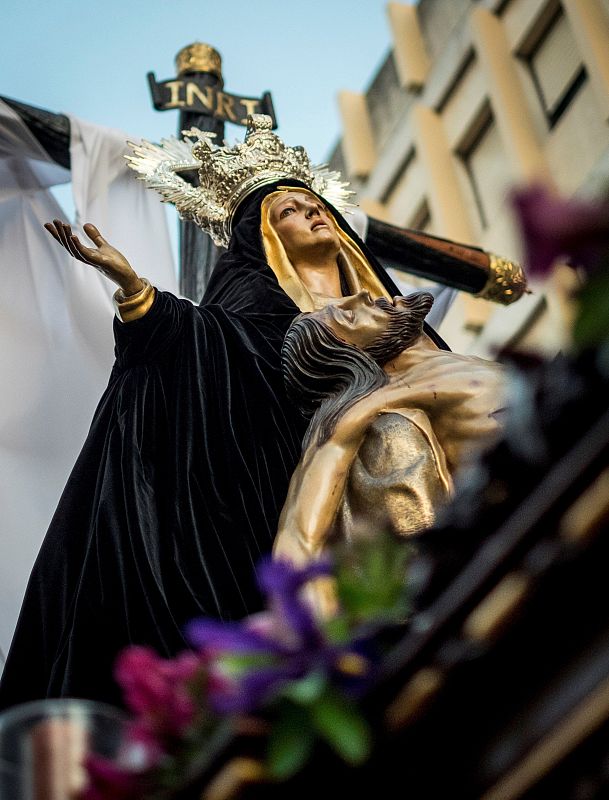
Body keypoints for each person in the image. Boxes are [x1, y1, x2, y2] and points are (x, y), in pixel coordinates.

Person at [0, 114, 453, 710]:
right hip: (312, 498)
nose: (310, 211)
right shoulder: (248, 323)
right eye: (286, 211)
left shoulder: (402, 319)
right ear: (262, 239)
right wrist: (136, 293)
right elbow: (193, 343)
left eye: (313, 203)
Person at [274, 290, 506, 616]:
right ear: (350, 353)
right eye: (349, 316)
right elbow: (297, 541)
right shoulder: (381, 425)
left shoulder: (434, 363)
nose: (361, 294)